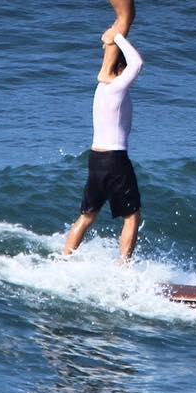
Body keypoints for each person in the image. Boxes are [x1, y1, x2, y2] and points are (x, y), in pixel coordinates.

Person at [63, 31, 144, 260]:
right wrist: (117, 36)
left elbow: (112, 67)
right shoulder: (116, 88)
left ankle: (64, 260)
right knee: (132, 217)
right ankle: (124, 269)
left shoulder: (100, 89)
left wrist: (111, 45)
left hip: (96, 159)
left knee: (87, 216)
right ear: (120, 69)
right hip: (114, 159)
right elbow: (137, 63)